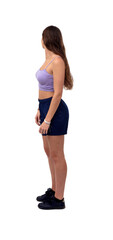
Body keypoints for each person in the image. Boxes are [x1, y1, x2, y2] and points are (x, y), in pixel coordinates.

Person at [35, 26, 73, 210]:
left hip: (55, 111)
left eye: (42, 37)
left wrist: (48, 119)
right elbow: (44, 87)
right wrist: (39, 110)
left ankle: (59, 199)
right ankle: (54, 188)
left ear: (46, 39)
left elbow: (57, 94)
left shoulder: (57, 61)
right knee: (49, 152)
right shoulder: (47, 60)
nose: (40, 40)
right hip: (45, 108)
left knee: (57, 154)